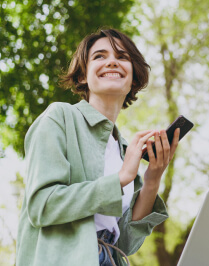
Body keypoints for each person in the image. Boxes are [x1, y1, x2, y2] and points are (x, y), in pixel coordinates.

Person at [16, 28, 179, 266]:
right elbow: (42, 205)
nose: (112, 61)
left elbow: (125, 244)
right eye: (99, 56)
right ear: (83, 76)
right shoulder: (59, 118)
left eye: (122, 57)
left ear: (133, 77)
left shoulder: (124, 149)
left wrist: (153, 178)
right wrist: (121, 178)